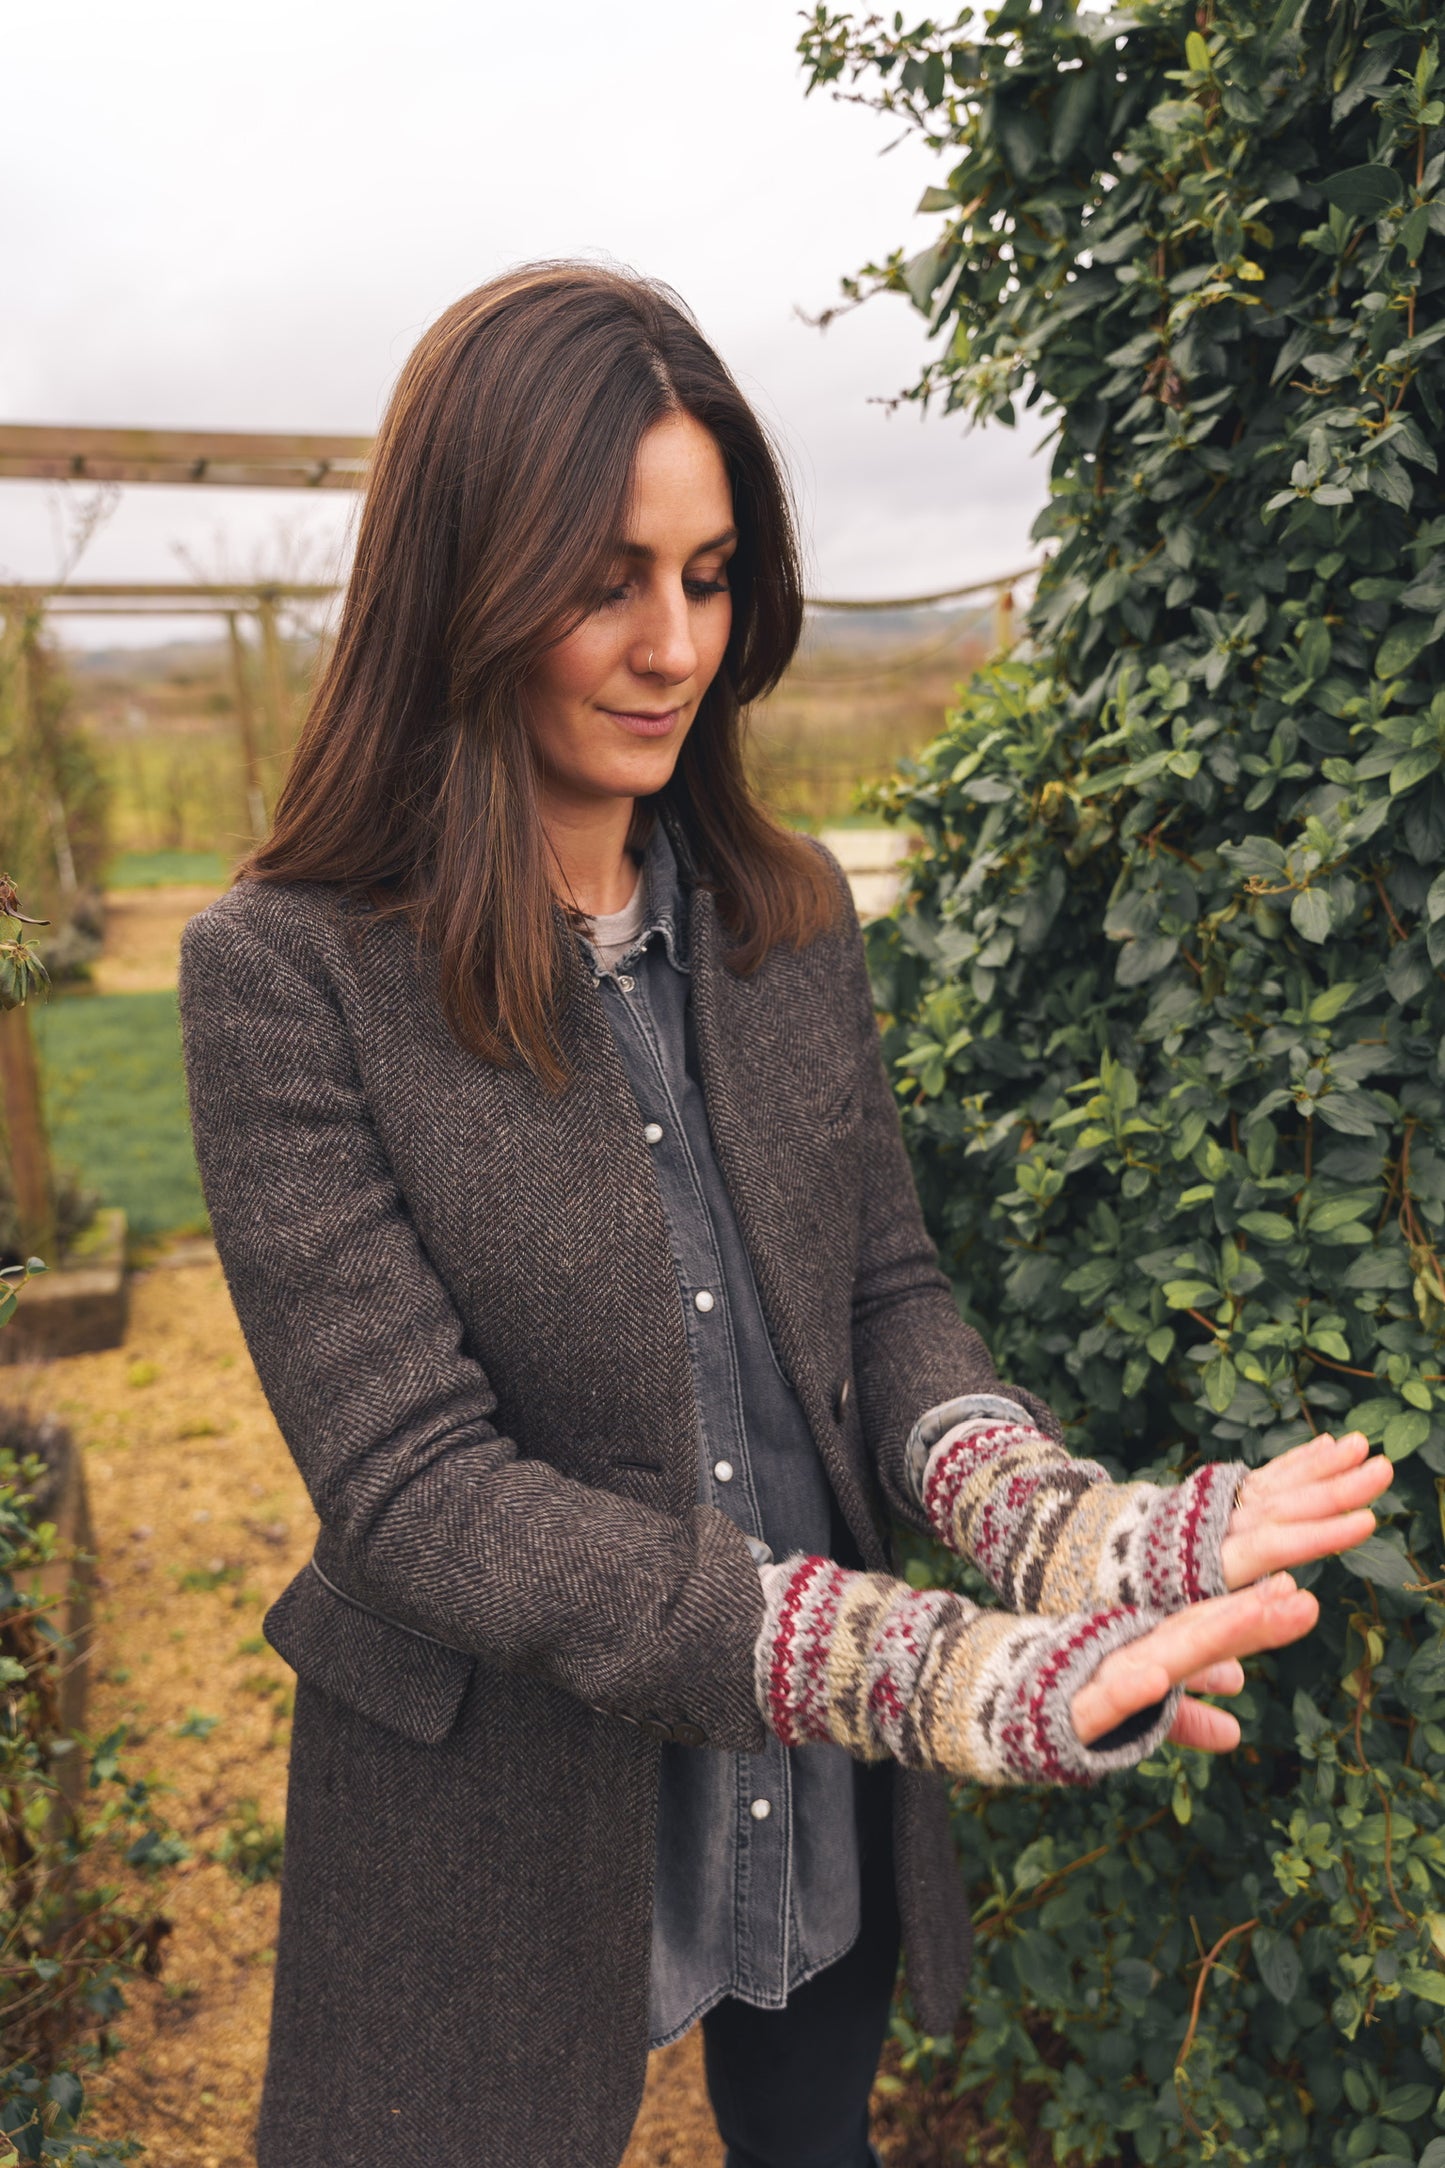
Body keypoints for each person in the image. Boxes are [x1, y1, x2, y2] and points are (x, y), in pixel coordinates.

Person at [177, 264, 1391, 2168]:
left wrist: (1070, 1531)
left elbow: (880, 1294)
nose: (672, 643)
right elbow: (413, 1490)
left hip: (794, 1782)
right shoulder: (289, 975)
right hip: (495, 1791)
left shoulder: (779, 912)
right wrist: (930, 1670)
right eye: (605, 580)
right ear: (463, 584)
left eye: (710, 572)